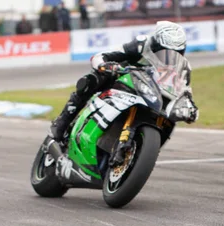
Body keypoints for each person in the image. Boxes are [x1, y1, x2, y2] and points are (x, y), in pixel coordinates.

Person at [51, 21, 199, 144]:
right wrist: (107, 65)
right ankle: (63, 121)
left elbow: (185, 91)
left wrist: (190, 108)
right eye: (165, 50)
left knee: (168, 118)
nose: (170, 55)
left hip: (152, 94)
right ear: (155, 43)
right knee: (92, 79)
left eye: (176, 52)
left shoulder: (182, 67)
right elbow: (105, 55)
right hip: (123, 78)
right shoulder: (142, 44)